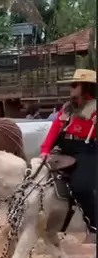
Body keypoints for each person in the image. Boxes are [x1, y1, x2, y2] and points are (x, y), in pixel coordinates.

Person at [39, 69, 96, 243]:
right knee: (37, 177)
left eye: (74, 85)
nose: (71, 88)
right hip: (64, 147)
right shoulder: (67, 107)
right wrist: (45, 150)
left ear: (86, 87)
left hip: (87, 149)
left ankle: (94, 226)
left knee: (81, 187)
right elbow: (55, 129)